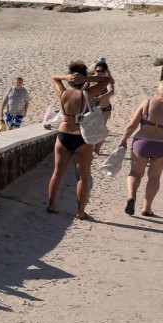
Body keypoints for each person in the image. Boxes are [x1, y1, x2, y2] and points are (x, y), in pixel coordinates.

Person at [47, 62, 114, 219]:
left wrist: (65, 77)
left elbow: (54, 78)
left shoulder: (63, 92)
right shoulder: (88, 93)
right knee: (82, 176)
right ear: (83, 78)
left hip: (64, 133)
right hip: (82, 136)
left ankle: (52, 205)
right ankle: (80, 212)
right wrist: (87, 79)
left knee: (57, 173)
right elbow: (107, 80)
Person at [114, 79, 163, 217]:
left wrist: (123, 140)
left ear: (159, 90)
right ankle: (147, 208)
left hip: (142, 143)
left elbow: (132, 125)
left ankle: (131, 197)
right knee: (154, 177)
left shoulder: (147, 103)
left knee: (135, 174)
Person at [89, 58, 115, 155]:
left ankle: (97, 150)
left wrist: (101, 97)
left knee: (101, 128)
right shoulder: (91, 79)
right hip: (92, 108)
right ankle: (90, 148)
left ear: (106, 70)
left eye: (102, 71)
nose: (99, 73)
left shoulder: (108, 80)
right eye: (98, 71)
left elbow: (111, 91)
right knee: (90, 128)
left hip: (104, 108)